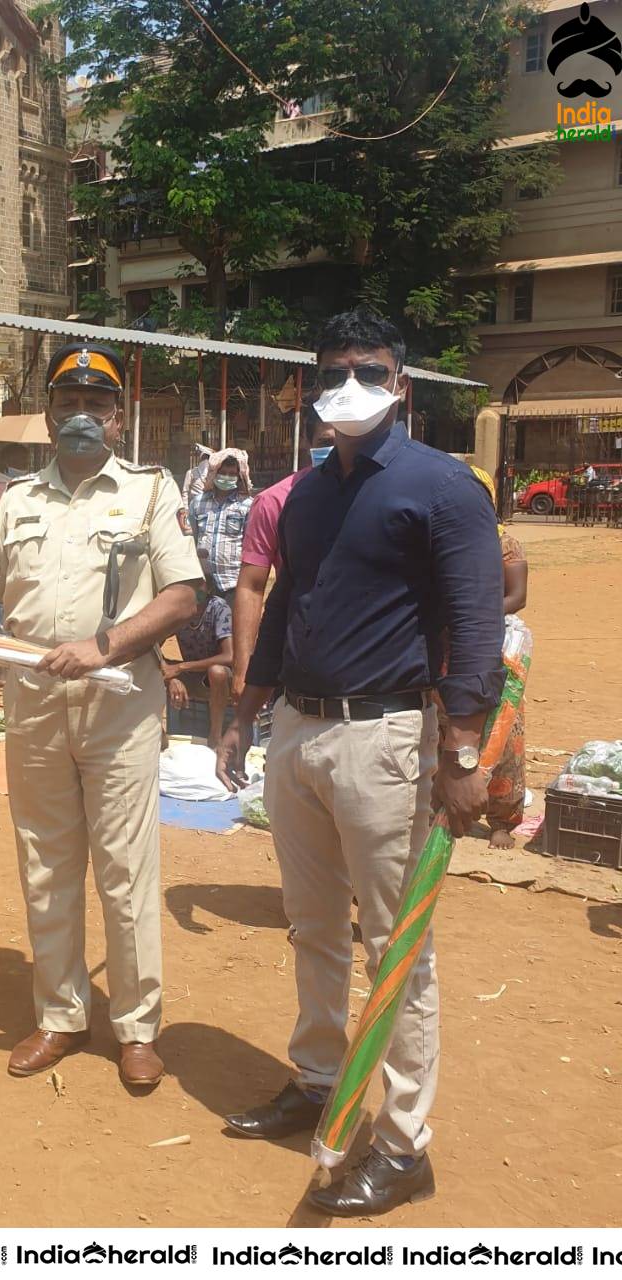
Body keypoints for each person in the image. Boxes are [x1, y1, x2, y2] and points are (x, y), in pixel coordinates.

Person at [216, 309, 504, 1217]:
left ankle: (404, 1140)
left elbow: (479, 626)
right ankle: (316, 1082)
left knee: (396, 947)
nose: (351, 385)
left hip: (386, 741)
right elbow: (289, 607)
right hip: (298, 733)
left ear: (402, 385)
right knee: (309, 925)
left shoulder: (444, 488)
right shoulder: (302, 494)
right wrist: (244, 713)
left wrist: (464, 753)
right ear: (310, 386)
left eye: (370, 371)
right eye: (334, 370)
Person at [0, 340, 201, 1088]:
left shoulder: (154, 492)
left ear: (120, 419)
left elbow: (183, 595)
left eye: (98, 406)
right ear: (49, 415)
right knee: (46, 867)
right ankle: (60, 1014)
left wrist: (105, 645)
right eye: (69, 404)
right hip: (32, 709)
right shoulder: (16, 501)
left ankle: (135, 1027)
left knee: (125, 871)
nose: (82, 417)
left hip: (119, 709)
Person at [435, 465, 528, 849]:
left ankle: (502, 818)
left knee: (502, 731)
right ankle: (439, 803)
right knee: (445, 724)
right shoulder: (439, 539)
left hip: (495, 642)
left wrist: (474, 615)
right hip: (445, 643)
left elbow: (518, 596)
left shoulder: (504, 542)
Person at [230, 407, 338, 699]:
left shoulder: (377, 496)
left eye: (344, 439)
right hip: (294, 649)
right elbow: (252, 585)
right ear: (308, 443)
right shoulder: (274, 502)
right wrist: (243, 670)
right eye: (325, 442)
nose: (335, 450)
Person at [162, 587, 233, 749]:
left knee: (217, 672)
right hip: (191, 673)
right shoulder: (177, 610)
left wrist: (181, 667)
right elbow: (152, 647)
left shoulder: (219, 608)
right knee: (151, 669)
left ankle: (215, 736)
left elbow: (229, 656)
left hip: (216, 677)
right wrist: (172, 678)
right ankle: (159, 737)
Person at [189, 448, 252, 604]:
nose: (227, 478)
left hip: (233, 583)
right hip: (203, 583)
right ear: (214, 473)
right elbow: (191, 539)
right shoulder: (198, 503)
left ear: (239, 476)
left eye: (232, 474)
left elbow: (249, 546)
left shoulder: (246, 506)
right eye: (223, 473)